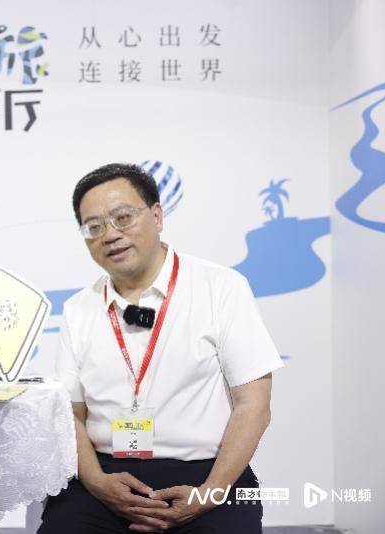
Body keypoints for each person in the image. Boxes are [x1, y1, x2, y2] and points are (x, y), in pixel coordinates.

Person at [39, 163, 283, 533]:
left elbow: (254, 404)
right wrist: (97, 482)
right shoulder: (78, 309)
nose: (110, 234)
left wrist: (209, 494)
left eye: (123, 217)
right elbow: (71, 414)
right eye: (94, 227)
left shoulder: (221, 288)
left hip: (206, 474)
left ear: (157, 215)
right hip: (105, 475)